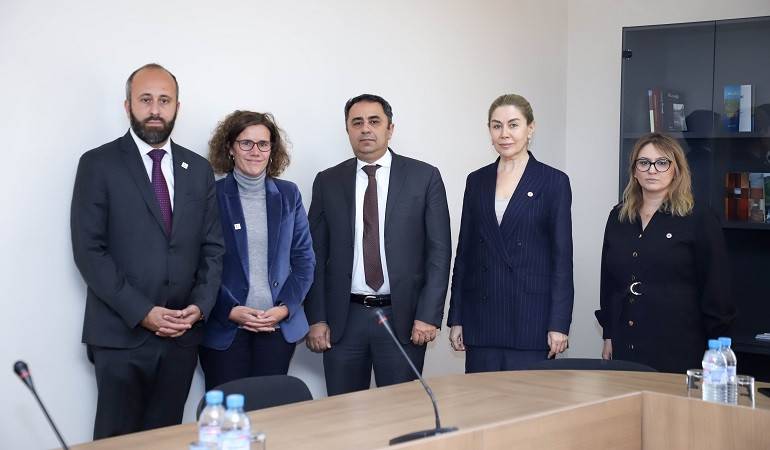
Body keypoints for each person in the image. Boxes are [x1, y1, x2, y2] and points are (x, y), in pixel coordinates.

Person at [70, 63, 224, 438]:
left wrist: (199, 308)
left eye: (164, 100)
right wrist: (142, 312)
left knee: (166, 439)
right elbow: (89, 250)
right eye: (146, 100)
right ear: (128, 106)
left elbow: (213, 247)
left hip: (181, 337)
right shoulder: (98, 164)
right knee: (116, 441)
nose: (155, 109)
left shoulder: (198, 168)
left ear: (176, 107)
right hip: (120, 335)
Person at [304, 94, 452, 395]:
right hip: (344, 320)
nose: (365, 129)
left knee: (400, 413)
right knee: (344, 415)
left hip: (404, 318)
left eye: (374, 121)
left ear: (390, 128)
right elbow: (314, 256)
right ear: (347, 130)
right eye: (356, 123)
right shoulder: (327, 181)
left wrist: (428, 315)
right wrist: (317, 318)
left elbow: (439, 253)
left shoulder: (424, 177)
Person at [447, 94, 574, 372]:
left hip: (531, 319)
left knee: (527, 408)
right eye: (496, 126)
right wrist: (456, 317)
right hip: (481, 320)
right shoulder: (476, 180)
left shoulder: (553, 181)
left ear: (530, 128)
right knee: (483, 409)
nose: (504, 134)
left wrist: (559, 323)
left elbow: (562, 260)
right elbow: (464, 254)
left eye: (513, 125)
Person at [595, 132, 735, 373]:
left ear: (676, 169)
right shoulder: (618, 217)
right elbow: (608, 282)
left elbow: (716, 288)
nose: (652, 170)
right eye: (644, 163)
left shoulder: (698, 218)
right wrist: (608, 334)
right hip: (625, 341)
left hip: (679, 346)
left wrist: (717, 351)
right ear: (635, 171)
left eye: (662, 163)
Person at [199, 111, 314, 390]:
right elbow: (200, 263)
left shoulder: (289, 194)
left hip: (276, 328)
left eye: (263, 144)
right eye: (246, 143)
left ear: (272, 149)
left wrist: (285, 308)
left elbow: (304, 260)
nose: (255, 151)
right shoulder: (210, 195)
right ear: (230, 147)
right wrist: (231, 309)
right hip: (225, 328)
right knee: (228, 420)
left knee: (270, 418)